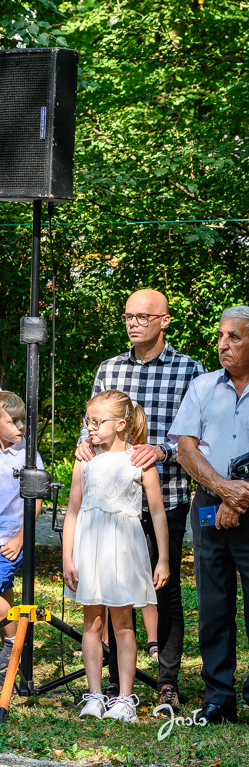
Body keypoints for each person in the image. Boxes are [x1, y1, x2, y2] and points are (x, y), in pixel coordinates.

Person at [76, 289, 204, 713]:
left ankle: (167, 682)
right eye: (128, 316)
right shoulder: (109, 368)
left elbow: (196, 431)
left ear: (164, 320)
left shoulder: (190, 370)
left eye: (143, 316)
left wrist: (163, 450)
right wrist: (83, 448)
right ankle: (114, 687)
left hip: (162, 495)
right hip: (108, 502)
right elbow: (89, 427)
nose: (133, 323)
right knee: (111, 592)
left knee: (159, 590)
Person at [64, 390, 169, 723]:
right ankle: (94, 695)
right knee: (92, 622)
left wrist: (163, 558)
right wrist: (67, 557)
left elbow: (156, 510)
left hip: (123, 549)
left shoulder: (139, 460)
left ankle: (125, 698)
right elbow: (72, 510)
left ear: (121, 424)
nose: (90, 428)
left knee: (123, 624)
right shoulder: (86, 459)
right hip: (89, 548)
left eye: (97, 422)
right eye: (88, 421)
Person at [170, 305, 249, 724]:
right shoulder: (202, 387)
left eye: (234, 337)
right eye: (221, 336)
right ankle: (219, 697)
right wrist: (224, 492)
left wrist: (240, 499)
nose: (222, 345)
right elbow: (185, 448)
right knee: (214, 604)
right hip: (208, 507)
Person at [0, 391, 43, 672]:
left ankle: (14, 643)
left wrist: (20, 539)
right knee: (4, 590)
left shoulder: (28, 455)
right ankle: (11, 649)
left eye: (22, 420)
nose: (21, 426)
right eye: (12, 421)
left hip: (10, 538)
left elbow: (36, 501)